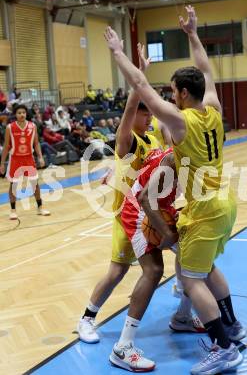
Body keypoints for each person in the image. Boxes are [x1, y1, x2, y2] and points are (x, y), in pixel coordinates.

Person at [104, 5, 245, 374]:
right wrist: (193, 33)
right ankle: (229, 324)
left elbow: (140, 87)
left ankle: (223, 346)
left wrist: (118, 53)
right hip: (225, 201)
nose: (171, 96)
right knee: (205, 267)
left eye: (174, 92)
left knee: (190, 278)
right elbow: (206, 68)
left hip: (205, 206)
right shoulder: (214, 106)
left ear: (183, 93)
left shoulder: (180, 123)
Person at [77, 44, 162, 345]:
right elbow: (129, 111)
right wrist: (139, 73)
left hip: (150, 214)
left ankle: (188, 305)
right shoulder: (128, 139)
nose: (149, 117)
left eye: (151, 113)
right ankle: (86, 319)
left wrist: (116, 173)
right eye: (145, 113)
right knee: (118, 271)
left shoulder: (152, 138)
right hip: (126, 216)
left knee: (180, 258)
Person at [110, 147, 204, 371]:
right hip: (139, 210)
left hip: (160, 206)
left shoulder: (188, 154)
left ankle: (182, 316)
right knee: (153, 271)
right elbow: (144, 198)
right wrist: (168, 232)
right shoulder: (173, 158)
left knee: (191, 252)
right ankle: (122, 347)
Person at [0, 104, 50, 219]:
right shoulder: (10, 127)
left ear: (26, 114)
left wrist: (40, 157)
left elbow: (36, 143)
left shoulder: (32, 126)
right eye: (19, 113)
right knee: (14, 184)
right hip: (15, 159)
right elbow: (6, 146)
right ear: (15, 115)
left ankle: (40, 207)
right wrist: (2, 163)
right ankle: (13, 210)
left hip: (29, 158)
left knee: (34, 184)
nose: (21, 114)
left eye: (23, 112)